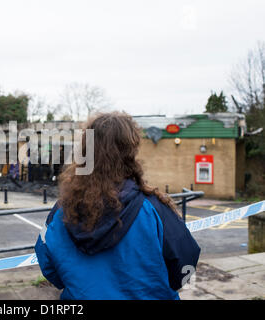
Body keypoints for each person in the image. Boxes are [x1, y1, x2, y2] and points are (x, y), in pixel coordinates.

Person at [34, 111, 200, 300]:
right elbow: (186, 263)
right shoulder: (154, 209)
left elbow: (47, 262)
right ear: (131, 152)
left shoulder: (62, 211)